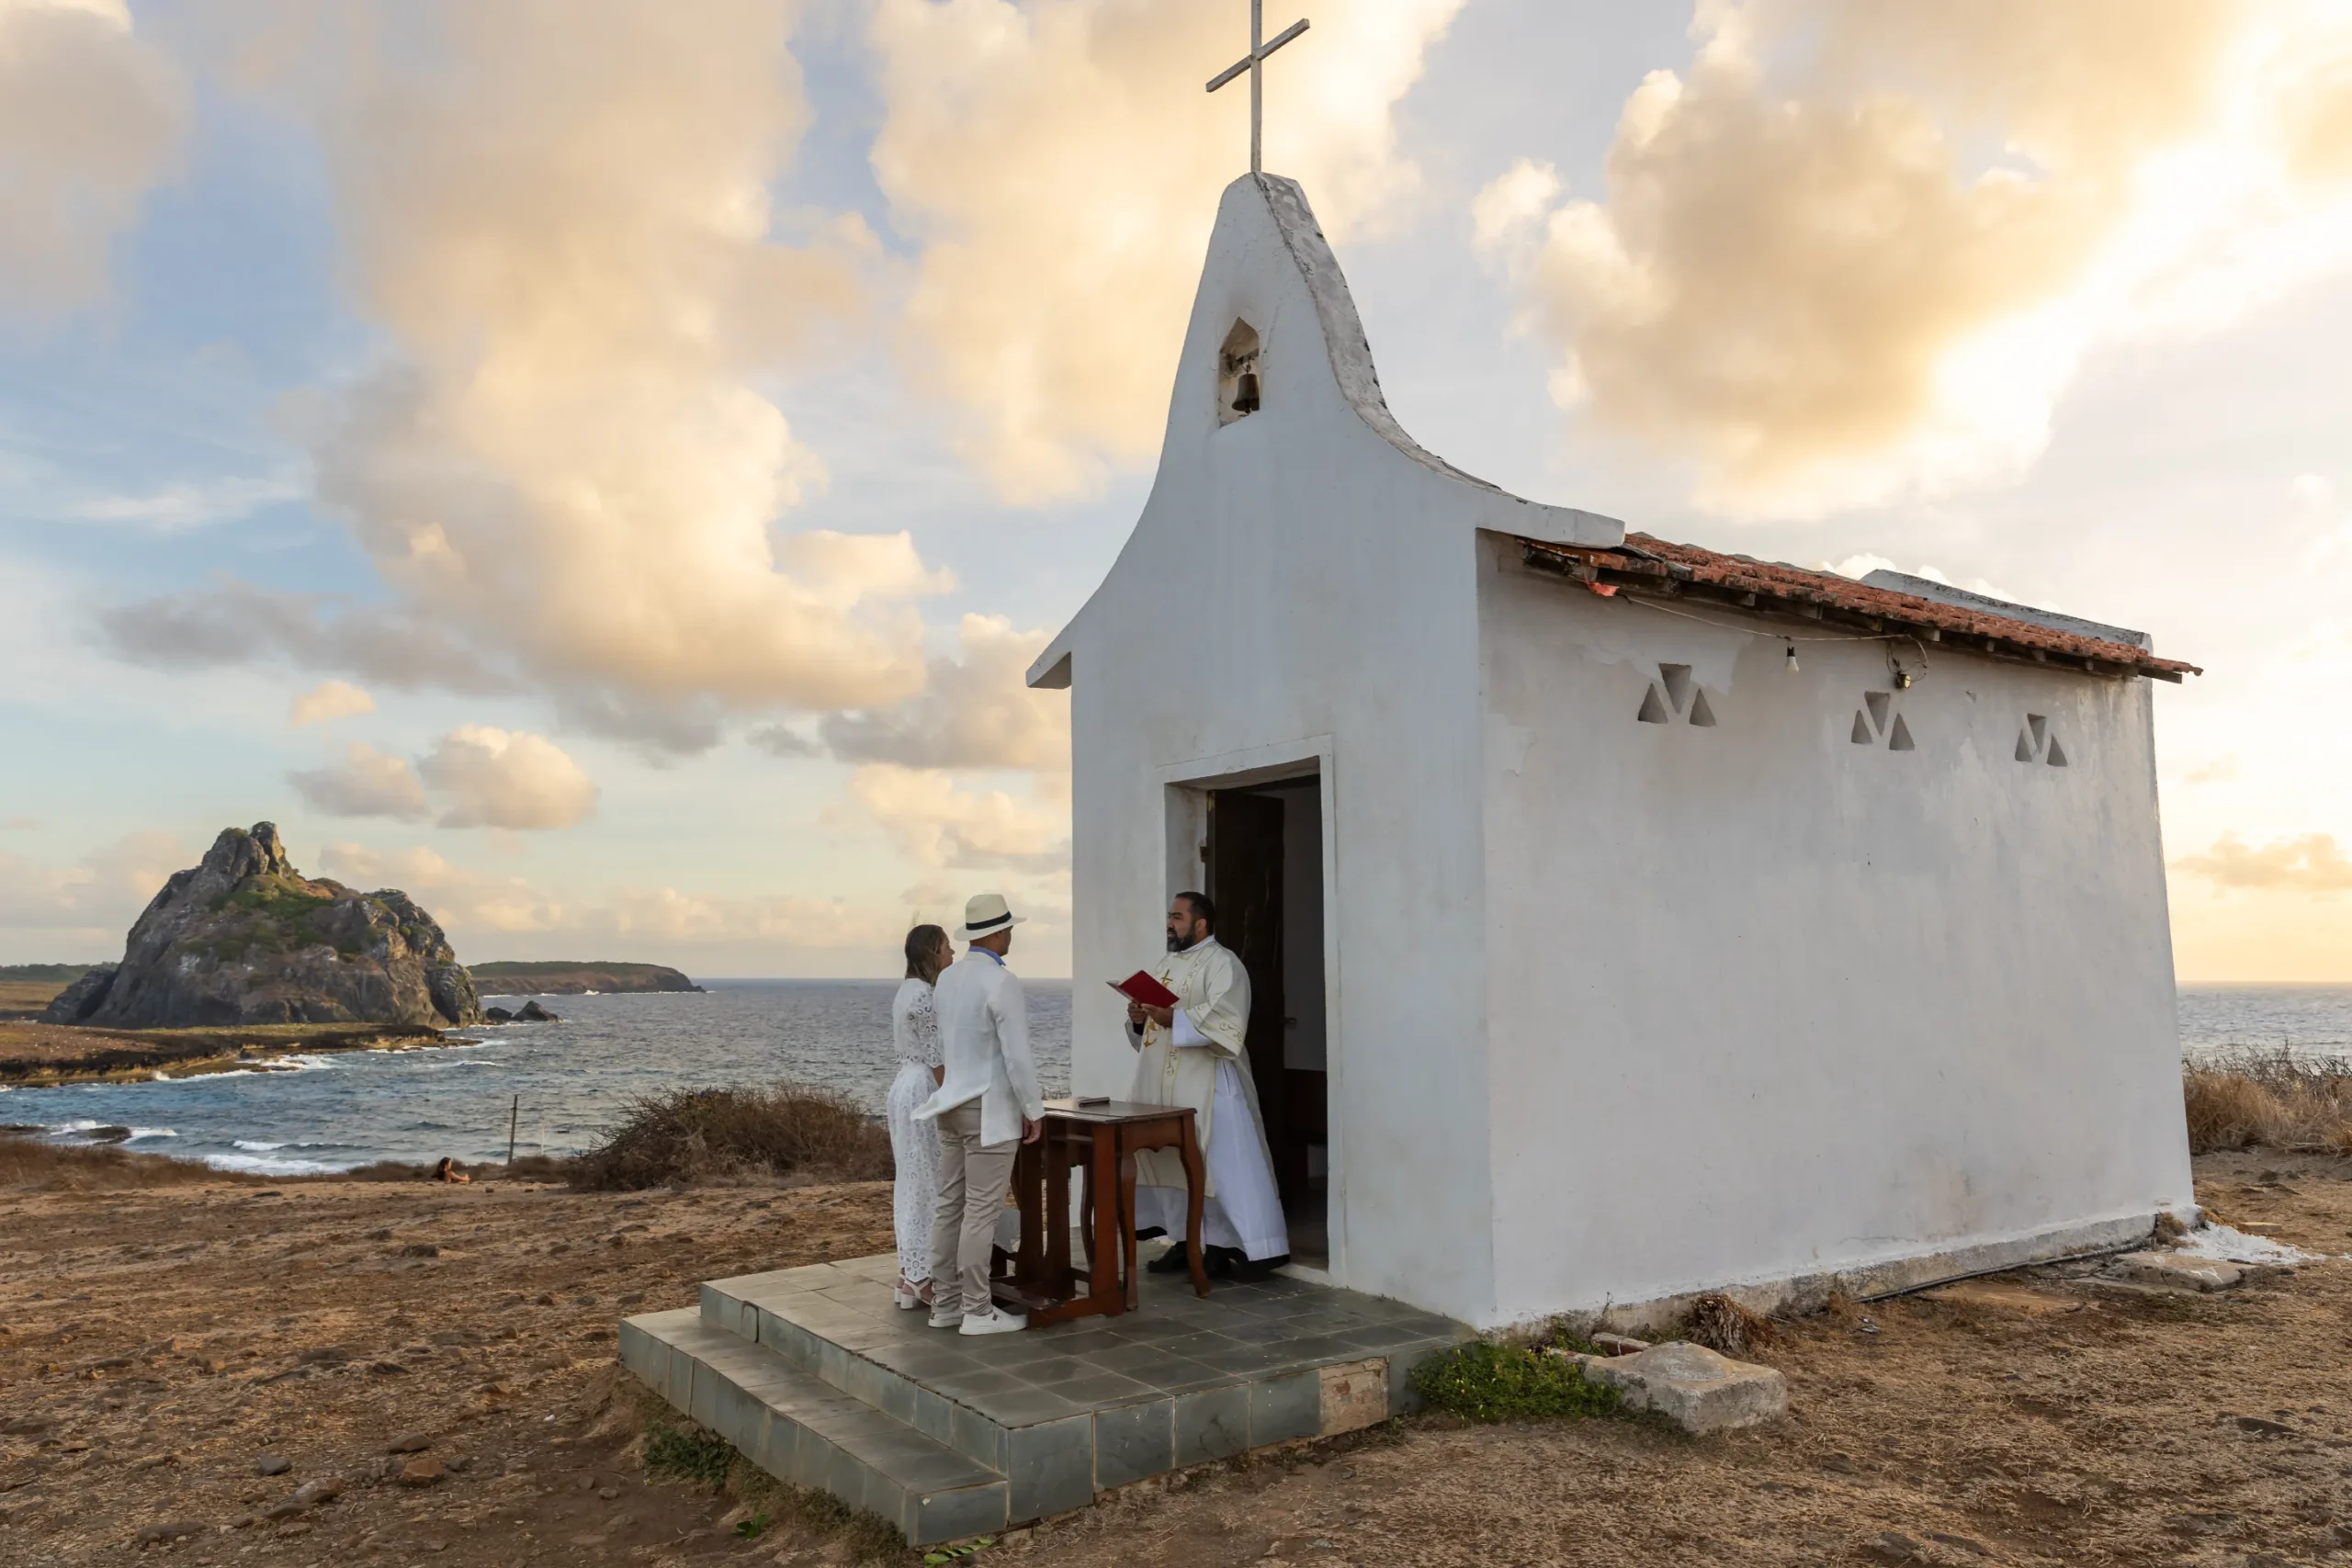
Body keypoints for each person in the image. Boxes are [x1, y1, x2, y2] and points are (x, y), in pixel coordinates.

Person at [1125, 891, 1289, 1280]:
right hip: (1163, 1085)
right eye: (1169, 916)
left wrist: (1173, 1019)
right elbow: (1148, 1032)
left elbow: (1226, 1018)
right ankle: (1185, 1242)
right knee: (1172, 1164)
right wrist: (1138, 1016)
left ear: (1200, 923)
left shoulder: (1224, 964)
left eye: (1178, 917)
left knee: (1222, 1166)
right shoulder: (1166, 963)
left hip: (1210, 1083)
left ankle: (1245, 1248)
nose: (1170, 923)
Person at [911, 894, 1045, 1336]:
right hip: (989, 1109)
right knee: (981, 1213)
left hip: (951, 1103)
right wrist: (1034, 1109)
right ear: (996, 933)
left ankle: (946, 1305)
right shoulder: (1002, 982)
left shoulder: (948, 978)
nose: (1011, 936)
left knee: (950, 1207)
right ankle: (977, 1310)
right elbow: (1018, 1056)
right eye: (1008, 929)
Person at [887, 923, 954, 1311]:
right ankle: (921, 1276)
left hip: (902, 1086)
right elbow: (936, 1056)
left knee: (912, 1179)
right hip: (922, 1088)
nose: (952, 954)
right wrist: (952, 1097)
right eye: (946, 947)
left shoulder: (905, 991)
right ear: (932, 951)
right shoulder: (926, 996)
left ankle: (908, 1272)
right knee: (929, 1179)